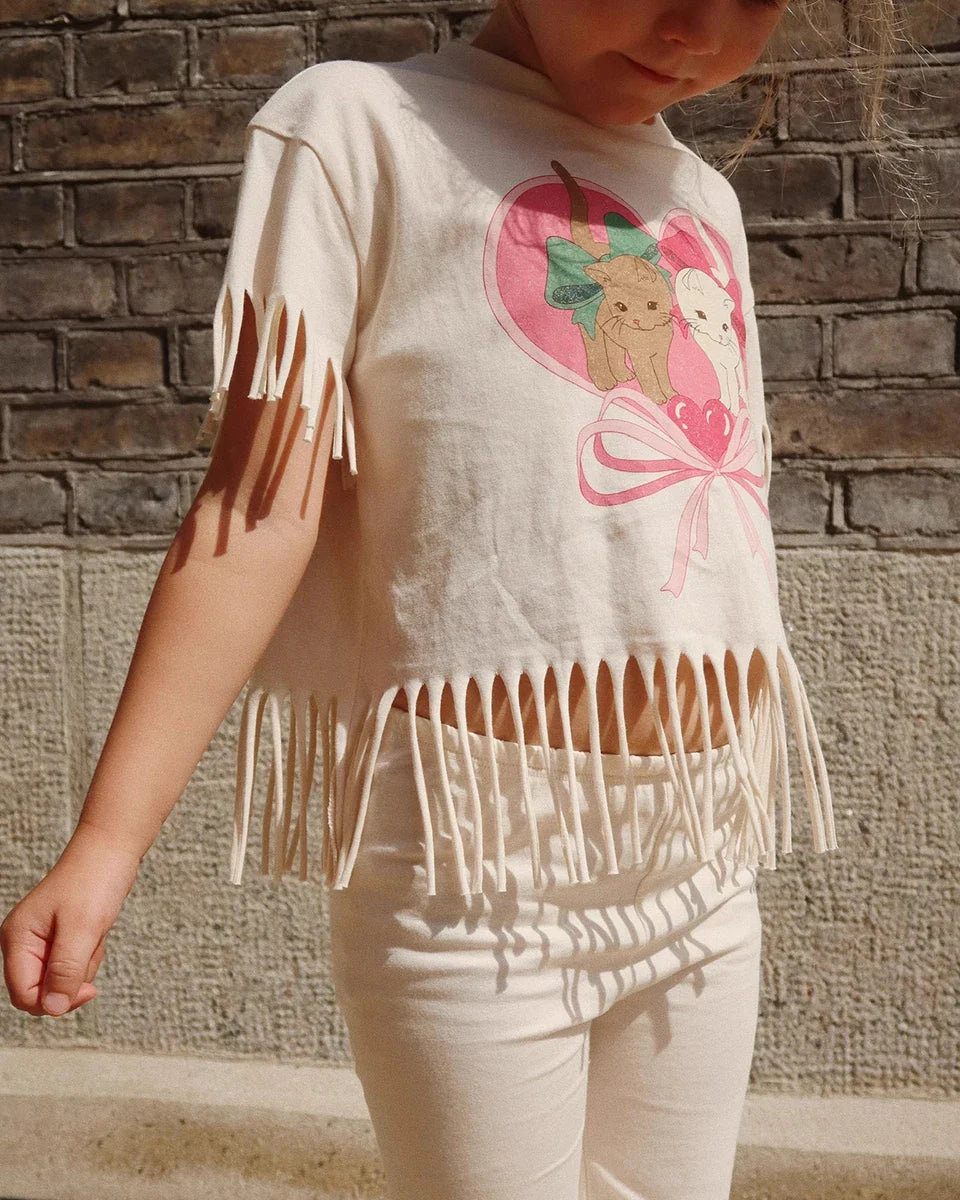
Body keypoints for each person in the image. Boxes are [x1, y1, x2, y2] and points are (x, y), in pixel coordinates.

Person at [8, 0, 924, 1195]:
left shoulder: (702, 197)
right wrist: (106, 844)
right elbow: (258, 511)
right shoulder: (359, 127)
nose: (699, 25)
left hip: (701, 857)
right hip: (472, 878)